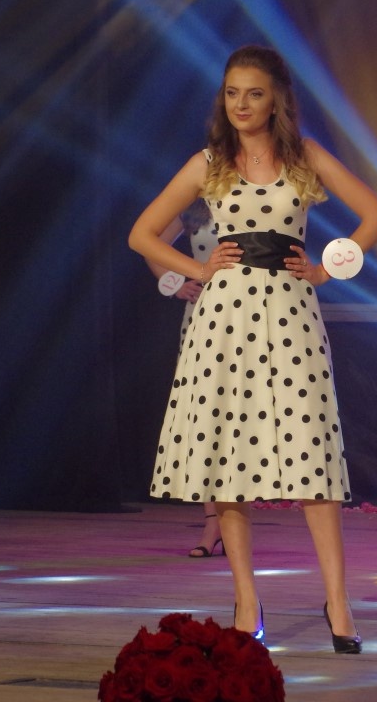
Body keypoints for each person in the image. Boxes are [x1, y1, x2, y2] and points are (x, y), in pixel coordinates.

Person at [128, 45, 377, 652]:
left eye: (254, 93)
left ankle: (338, 601)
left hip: (292, 314)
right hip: (222, 319)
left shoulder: (304, 157)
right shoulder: (208, 163)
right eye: (232, 93)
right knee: (228, 460)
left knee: (312, 457)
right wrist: (197, 267)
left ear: (277, 99)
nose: (241, 104)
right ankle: (247, 601)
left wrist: (327, 269)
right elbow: (141, 233)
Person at [144, 202, 224, 558]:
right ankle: (213, 524)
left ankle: (234, 521)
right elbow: (150, 243)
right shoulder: (194, 206)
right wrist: (174, 283)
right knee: (206, 418)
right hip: (204, 317)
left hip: (255, 314)